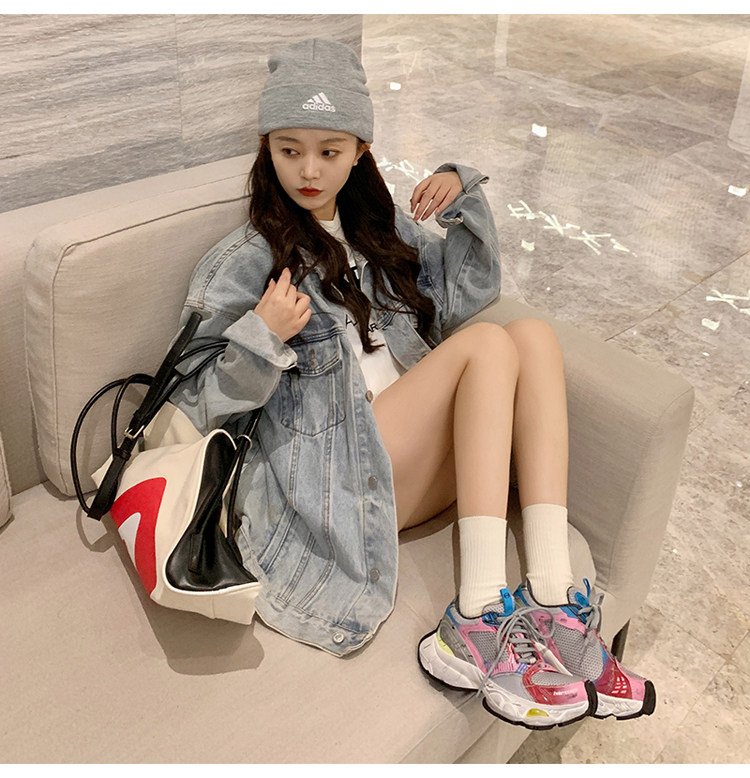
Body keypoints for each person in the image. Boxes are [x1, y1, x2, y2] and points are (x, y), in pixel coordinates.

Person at [171, 38, 654, 729]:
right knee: (487, 346)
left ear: (361, 150)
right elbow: (194, 406)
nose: (308, 170)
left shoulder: (379, 229)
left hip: (408, 467)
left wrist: (463, 194)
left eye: (330, 150)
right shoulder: (245, 262)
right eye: (289, 149)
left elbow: (470, 293)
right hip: (335, 486)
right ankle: (476, 614)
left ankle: (554, 599)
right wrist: (261, 336)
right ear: (265, 146)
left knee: (532, 336)